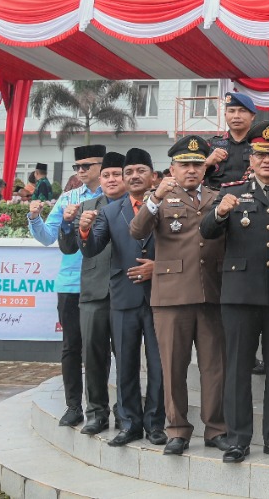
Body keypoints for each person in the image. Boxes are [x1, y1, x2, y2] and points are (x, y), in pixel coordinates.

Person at [201, 121, 269, 463]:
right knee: (238, 370)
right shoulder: (233, 192)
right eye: (261, 155)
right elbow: (208, 231)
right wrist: (220, 211)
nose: (267, 161)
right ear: (251, 160)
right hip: (239, 295)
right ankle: (238, 438)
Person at [130, 134, 229, 456]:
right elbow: (138, 231)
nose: (191, 170)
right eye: (184, 164)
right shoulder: (160, 197)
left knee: (214, 367)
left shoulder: (217, 197)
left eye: (197, 164)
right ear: (172, 168)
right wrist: (154, 197)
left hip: (212, 292)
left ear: (205, 168)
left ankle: (215, 429)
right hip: (171, 295)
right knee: (173, 366)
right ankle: (177, 430)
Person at [79, 147, 167, 447]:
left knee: (158, 365)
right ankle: (129, 423)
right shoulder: (109, 211)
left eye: (140, 170)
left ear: (153, 176)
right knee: (126, 364)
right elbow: (92, 249)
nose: (133, 176)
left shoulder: (169, 203)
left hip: (160, 297)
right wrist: (84, 230)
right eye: (128, 172)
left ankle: (156, 424)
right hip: (123, 296)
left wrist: (160, 268)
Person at [26, 144, 105, 429]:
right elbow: (48, 237)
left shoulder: (113, 194)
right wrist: (34, 217)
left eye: (87, 166)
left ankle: (107, 406)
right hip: (72, 282)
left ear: (102, 166)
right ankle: (74, 405)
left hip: (105, 282)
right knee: (72, 346)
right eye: (77, 167)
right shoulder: (69, 198)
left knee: (105, 348)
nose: (81, 171)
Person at [58, 154, 121, 436]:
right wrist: (68, 223)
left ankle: (127, 411)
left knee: (127, 357)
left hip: (128, 291)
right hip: (94, 290)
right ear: (101, 179)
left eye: (116, 175)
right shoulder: (85, 207)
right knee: (93, 356)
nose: (111, 180)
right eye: (106, 175)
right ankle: (96, 412)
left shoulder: (140, 206)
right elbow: (69, 247)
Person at [205, 91, 257, 189]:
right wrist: (207, 162)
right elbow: (192, 176)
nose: (236, 116)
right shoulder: (210, 145)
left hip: (251, 200)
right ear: (225, 115)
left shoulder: (261, 145)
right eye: (232, 111)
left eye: (242, 111)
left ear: (252, 116)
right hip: (216, 199)